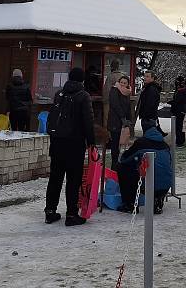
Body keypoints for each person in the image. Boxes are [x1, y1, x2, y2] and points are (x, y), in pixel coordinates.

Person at [45, 67, 95, 226]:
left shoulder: (59, 94)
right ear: (82, 80)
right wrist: (91, 141)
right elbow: (88, 121)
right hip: (75, 143)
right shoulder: (83, 96)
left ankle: (50, 211)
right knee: (73, 180)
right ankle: (71, 214)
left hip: (57, 142)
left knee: (55, 178)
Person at [117, 126, 173, 214]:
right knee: (157, 171)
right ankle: (157, 200)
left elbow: (124, 159)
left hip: (149, 184)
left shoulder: (141, 143)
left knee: (124, 168)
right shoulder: (165, 145)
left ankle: (130, 204)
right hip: (166, 185)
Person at [107, 75, 133, 169]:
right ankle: (114, 165)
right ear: (118, 82)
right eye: (121, 82)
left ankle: (119, 162)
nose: (122, 84)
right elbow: (115, 105)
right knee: (115, 143)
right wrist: (122, 117)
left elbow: (128, 107)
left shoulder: (127, 93)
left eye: (125, 83)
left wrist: (129, 120)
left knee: (122, 142)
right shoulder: (114, 90)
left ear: (127, 84)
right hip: (115, 121)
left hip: (124, 122)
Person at [169, 76, 186, 147]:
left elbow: (179, 100)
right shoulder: (181, 90)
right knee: (178, 126)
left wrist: (172, 102)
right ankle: (179, 141)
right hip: (179, 109)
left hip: (180, 110)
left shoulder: (182, 91)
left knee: (179, 126)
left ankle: (180, 141)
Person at [102, 59, 123, 127]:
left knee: (107, 118)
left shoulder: (110, 76)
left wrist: (104, 100)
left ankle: (108, 135)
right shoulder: (122, 76)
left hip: (110, 101)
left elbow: (107, 90)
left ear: (111, 67)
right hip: (120, 101)